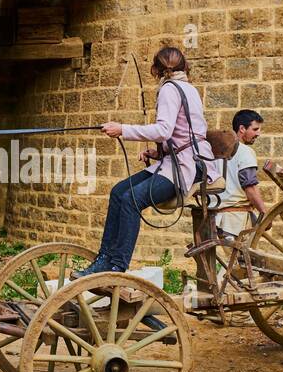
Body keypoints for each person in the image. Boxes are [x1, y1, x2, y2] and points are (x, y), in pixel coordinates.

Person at [77, 46, 220, 276]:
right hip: (177, 160)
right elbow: (184, 132)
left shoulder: (169, 89)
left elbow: (164, 130)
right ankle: (104, 258)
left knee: (131, 199)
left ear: (156, 69)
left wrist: (121, 129)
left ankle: (117, 265)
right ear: (184, 66)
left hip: (187, 166)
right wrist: (159, 153)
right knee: (118, 192)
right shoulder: (189, 88)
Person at [215, 109, 266, 239]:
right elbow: (250, 187)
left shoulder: (216, 151)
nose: (258, 134)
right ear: (242, 128)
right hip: (236, 219)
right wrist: (264, 212)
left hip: (216, 217)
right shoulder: (245, 152)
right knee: (240, 258)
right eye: (255, 129)